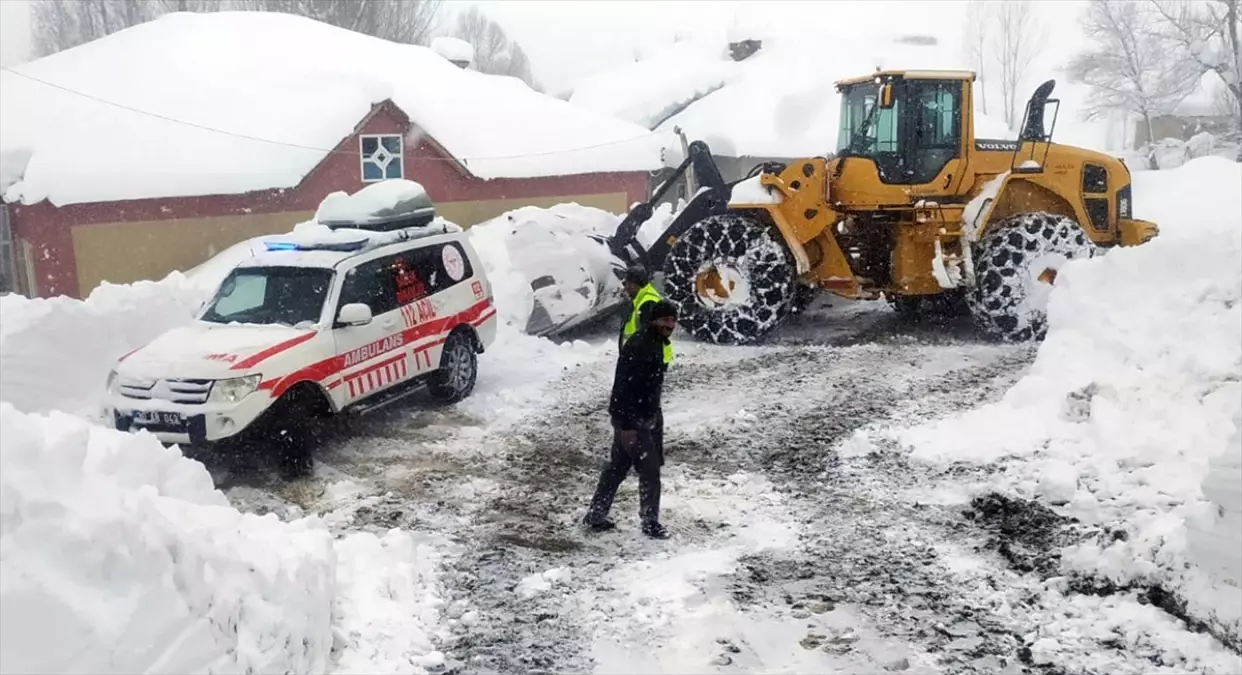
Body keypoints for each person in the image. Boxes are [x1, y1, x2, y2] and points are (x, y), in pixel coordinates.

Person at [584, 299, 678, 539]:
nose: (671, 325)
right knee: (650, 470)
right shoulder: (642, 346)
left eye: (673, 320)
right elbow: (623, 387)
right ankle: (650, 522)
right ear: (654, 321)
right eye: (666, 320)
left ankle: (596, 513)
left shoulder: (653, 342)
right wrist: (626, 424)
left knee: (617, 466)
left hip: (638, 417)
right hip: (634, 421)